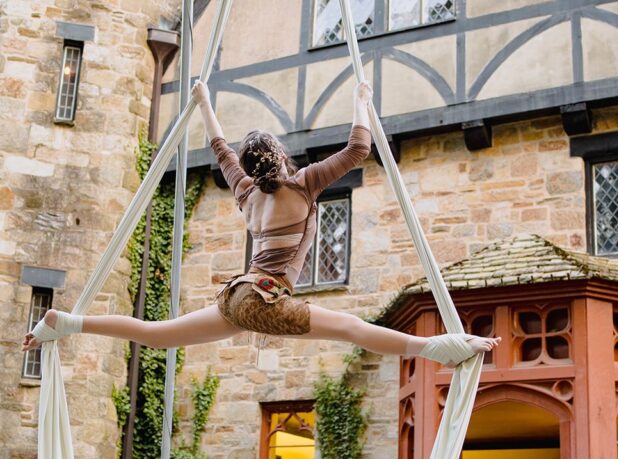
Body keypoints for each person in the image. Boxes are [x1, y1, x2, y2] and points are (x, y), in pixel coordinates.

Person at [23, 79, 500, 369]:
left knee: (154, 333)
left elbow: (220, 148)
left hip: (236, 297)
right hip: (266, 298)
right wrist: (360, 99)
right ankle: (439, 348)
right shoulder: (304, 184)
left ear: (251, 168)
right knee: (353, 327)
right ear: (280, 156)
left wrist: (205, 103)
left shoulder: (246, 192)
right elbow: (358, 150)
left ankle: (70, 322)